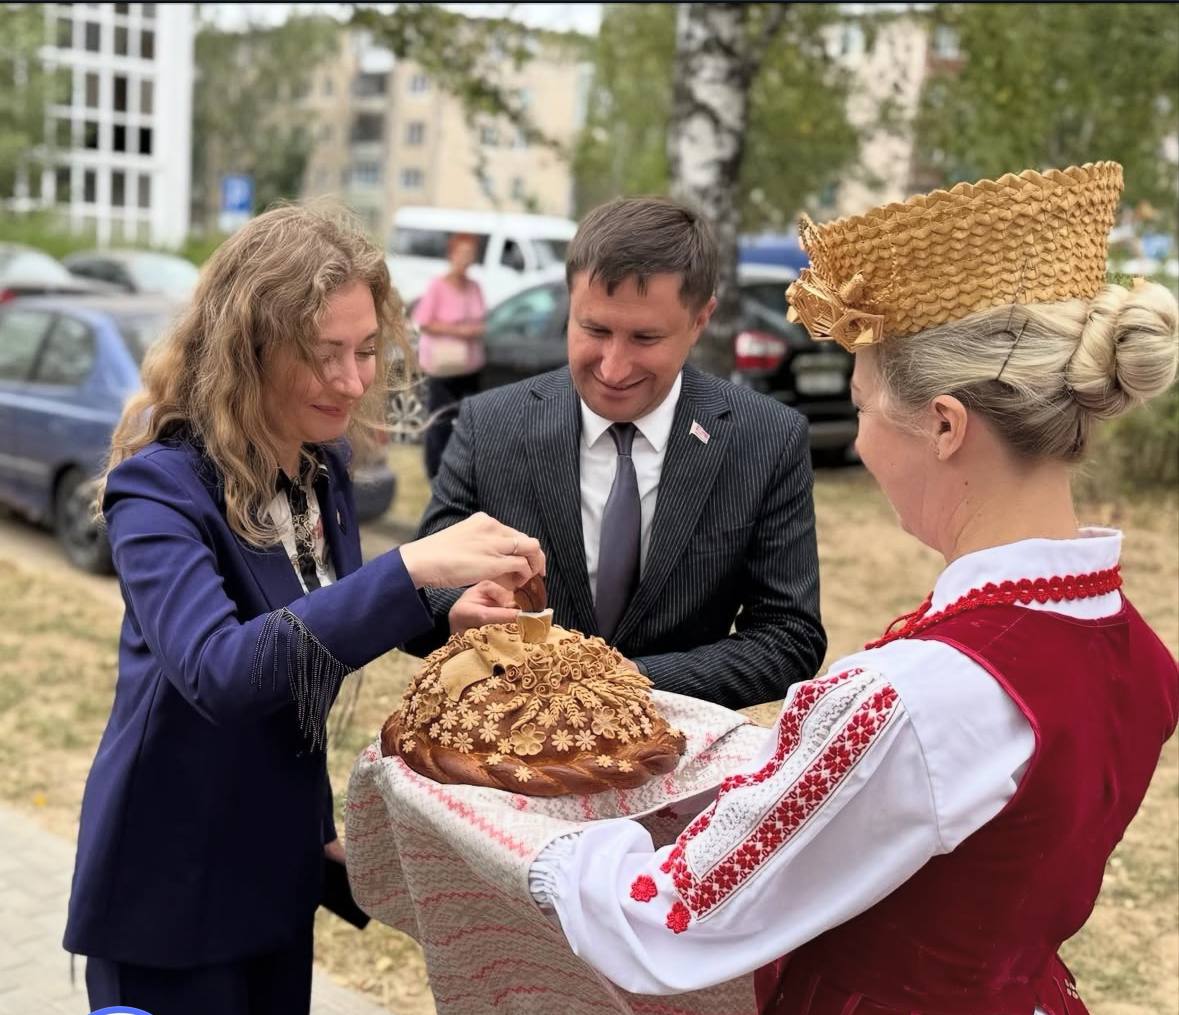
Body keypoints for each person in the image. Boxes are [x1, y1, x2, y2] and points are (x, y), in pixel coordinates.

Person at [521, 163, 1179, 1012]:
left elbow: (665, 918)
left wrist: (531, 841)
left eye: (864, 405)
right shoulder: (1136, 649)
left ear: (944, 425)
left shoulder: (909, 696)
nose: (861, 443)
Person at [62, 204, 543, 1015]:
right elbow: (222, 670)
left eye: (364, 352)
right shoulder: (158, 488)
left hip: (276, 869)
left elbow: (314, 616)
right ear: (248, 353)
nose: (354, 382)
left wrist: (442, 613)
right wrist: (409, 567)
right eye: (324, 356)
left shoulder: (321, 469)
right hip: (168, 892)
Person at [409, 197, 827, 710]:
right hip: (511, 755)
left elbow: (789, 638)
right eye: (595, 330)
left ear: (700, 321)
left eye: (645, 337)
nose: (613, 366)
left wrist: (635, 679)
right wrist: (456, 610)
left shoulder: (765, 439)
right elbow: (419, 591)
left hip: (675, 760)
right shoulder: (490, 424)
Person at [413, 232, 487, 480]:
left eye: (471, 254)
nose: (466, 259)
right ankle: (435, 472)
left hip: (470, 366)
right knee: (440, 420)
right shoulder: (438, 286)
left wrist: (476, 330)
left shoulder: (475, 286)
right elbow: (422, 321)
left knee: (468, 421)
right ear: (451, 255)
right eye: (462, 253)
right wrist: (458, 330)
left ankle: (462, 471)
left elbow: (482, 320)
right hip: (443, 367)